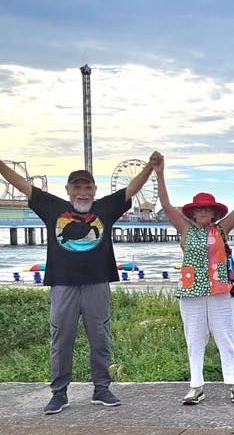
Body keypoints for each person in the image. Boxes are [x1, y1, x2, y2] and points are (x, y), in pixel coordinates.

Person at [0, 154, 156, 414]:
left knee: (101, 337)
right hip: (63, 285)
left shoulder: (105, 208)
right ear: (68, 190)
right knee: (61, 339)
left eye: (87, 188)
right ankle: (59, 393)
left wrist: (150, 167)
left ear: (94, 191)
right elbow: (21, 184)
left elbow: (131, 189)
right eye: (77, 187)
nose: (82, 193)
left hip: (97, 284)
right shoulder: (52, 207)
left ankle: (102, 388)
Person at [155, 153, 234, 405]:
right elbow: (165, 204)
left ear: (213, 213)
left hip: (220, 291)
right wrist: (160, 173)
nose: (204, 211)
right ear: (194, 212)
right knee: (194, 340)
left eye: (208, 208)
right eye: (200, 208)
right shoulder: (185, 229)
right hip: (191, 293)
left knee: (226, 337)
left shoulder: (221, 229)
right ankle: (196, 386)